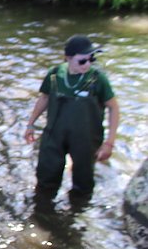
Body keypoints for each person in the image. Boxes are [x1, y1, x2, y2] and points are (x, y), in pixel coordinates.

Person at [24, 35, 119, 199]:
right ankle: (43, 213)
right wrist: (31, 124)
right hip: (54, 134)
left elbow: (114, 107)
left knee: (83, 185)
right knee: (45, 180)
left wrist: (109, 143)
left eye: (91, 59)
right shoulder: (54, 75)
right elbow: (44, 98)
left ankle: (77, 213)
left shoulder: (98, 79)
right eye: (82, 61)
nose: (87, 64)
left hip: (86, 139)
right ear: (68, 58)